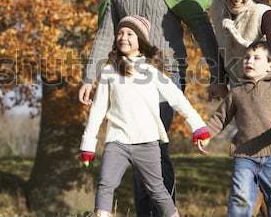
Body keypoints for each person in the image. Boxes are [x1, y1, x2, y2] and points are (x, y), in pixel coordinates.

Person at [79, 0, 226, 214]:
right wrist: (89, 77)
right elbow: (106, 34)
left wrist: (218, 73)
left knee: (153, 145)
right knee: (133, 144)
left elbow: (201, 27)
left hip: (164, 75)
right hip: (125, 76)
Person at [79, 15, 211, 217]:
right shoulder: (108, 71)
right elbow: (97, 110)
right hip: (117, 141)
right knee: (105, 185)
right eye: (120, 33)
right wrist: (88, 144)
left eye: (130, 33)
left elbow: (177, 99)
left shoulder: (151, 71)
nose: (123, 37)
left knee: (157, 190)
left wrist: (198, 126)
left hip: (147, 141)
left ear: (140, 41)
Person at [200, 41, 271, 217]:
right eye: (246, 58)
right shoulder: (236, 92)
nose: (249, 61)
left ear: (270, 65)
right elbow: (220, 118)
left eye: (256, 58)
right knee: (240, 197)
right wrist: (206, 134)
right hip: (244, 155)